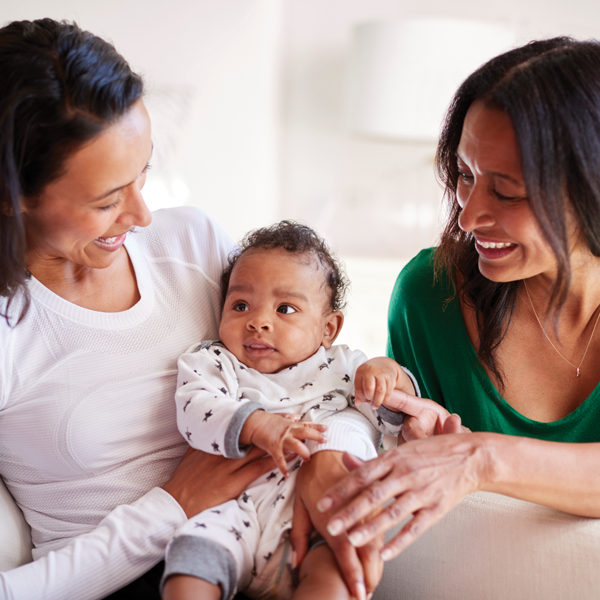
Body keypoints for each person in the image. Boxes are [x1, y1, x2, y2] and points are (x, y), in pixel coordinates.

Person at [0, 19, 379, 600]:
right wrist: (171, 507)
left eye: (143, 171)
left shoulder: (192, 243)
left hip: (265, 544)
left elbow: (315, 370)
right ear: (12, 197)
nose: (143, 216)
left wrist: (338, 445)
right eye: (106, 200)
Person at [312, 36, 600, 569]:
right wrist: (411, 439)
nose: (468, 218)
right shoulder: (429, 291)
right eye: (466, 176)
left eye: (508, 192)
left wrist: (481, 458)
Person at [161, 222, 414, 600]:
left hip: (315, 517)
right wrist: (254, 423)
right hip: (234, 514)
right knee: (188, 558)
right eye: (241, 305)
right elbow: (196, 412)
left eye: (285, 309)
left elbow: (393, 417)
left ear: (329, 328)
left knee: (339, 571)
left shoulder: (343, 367)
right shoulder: (214, 361)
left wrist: (389, 375)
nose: (258, 321)